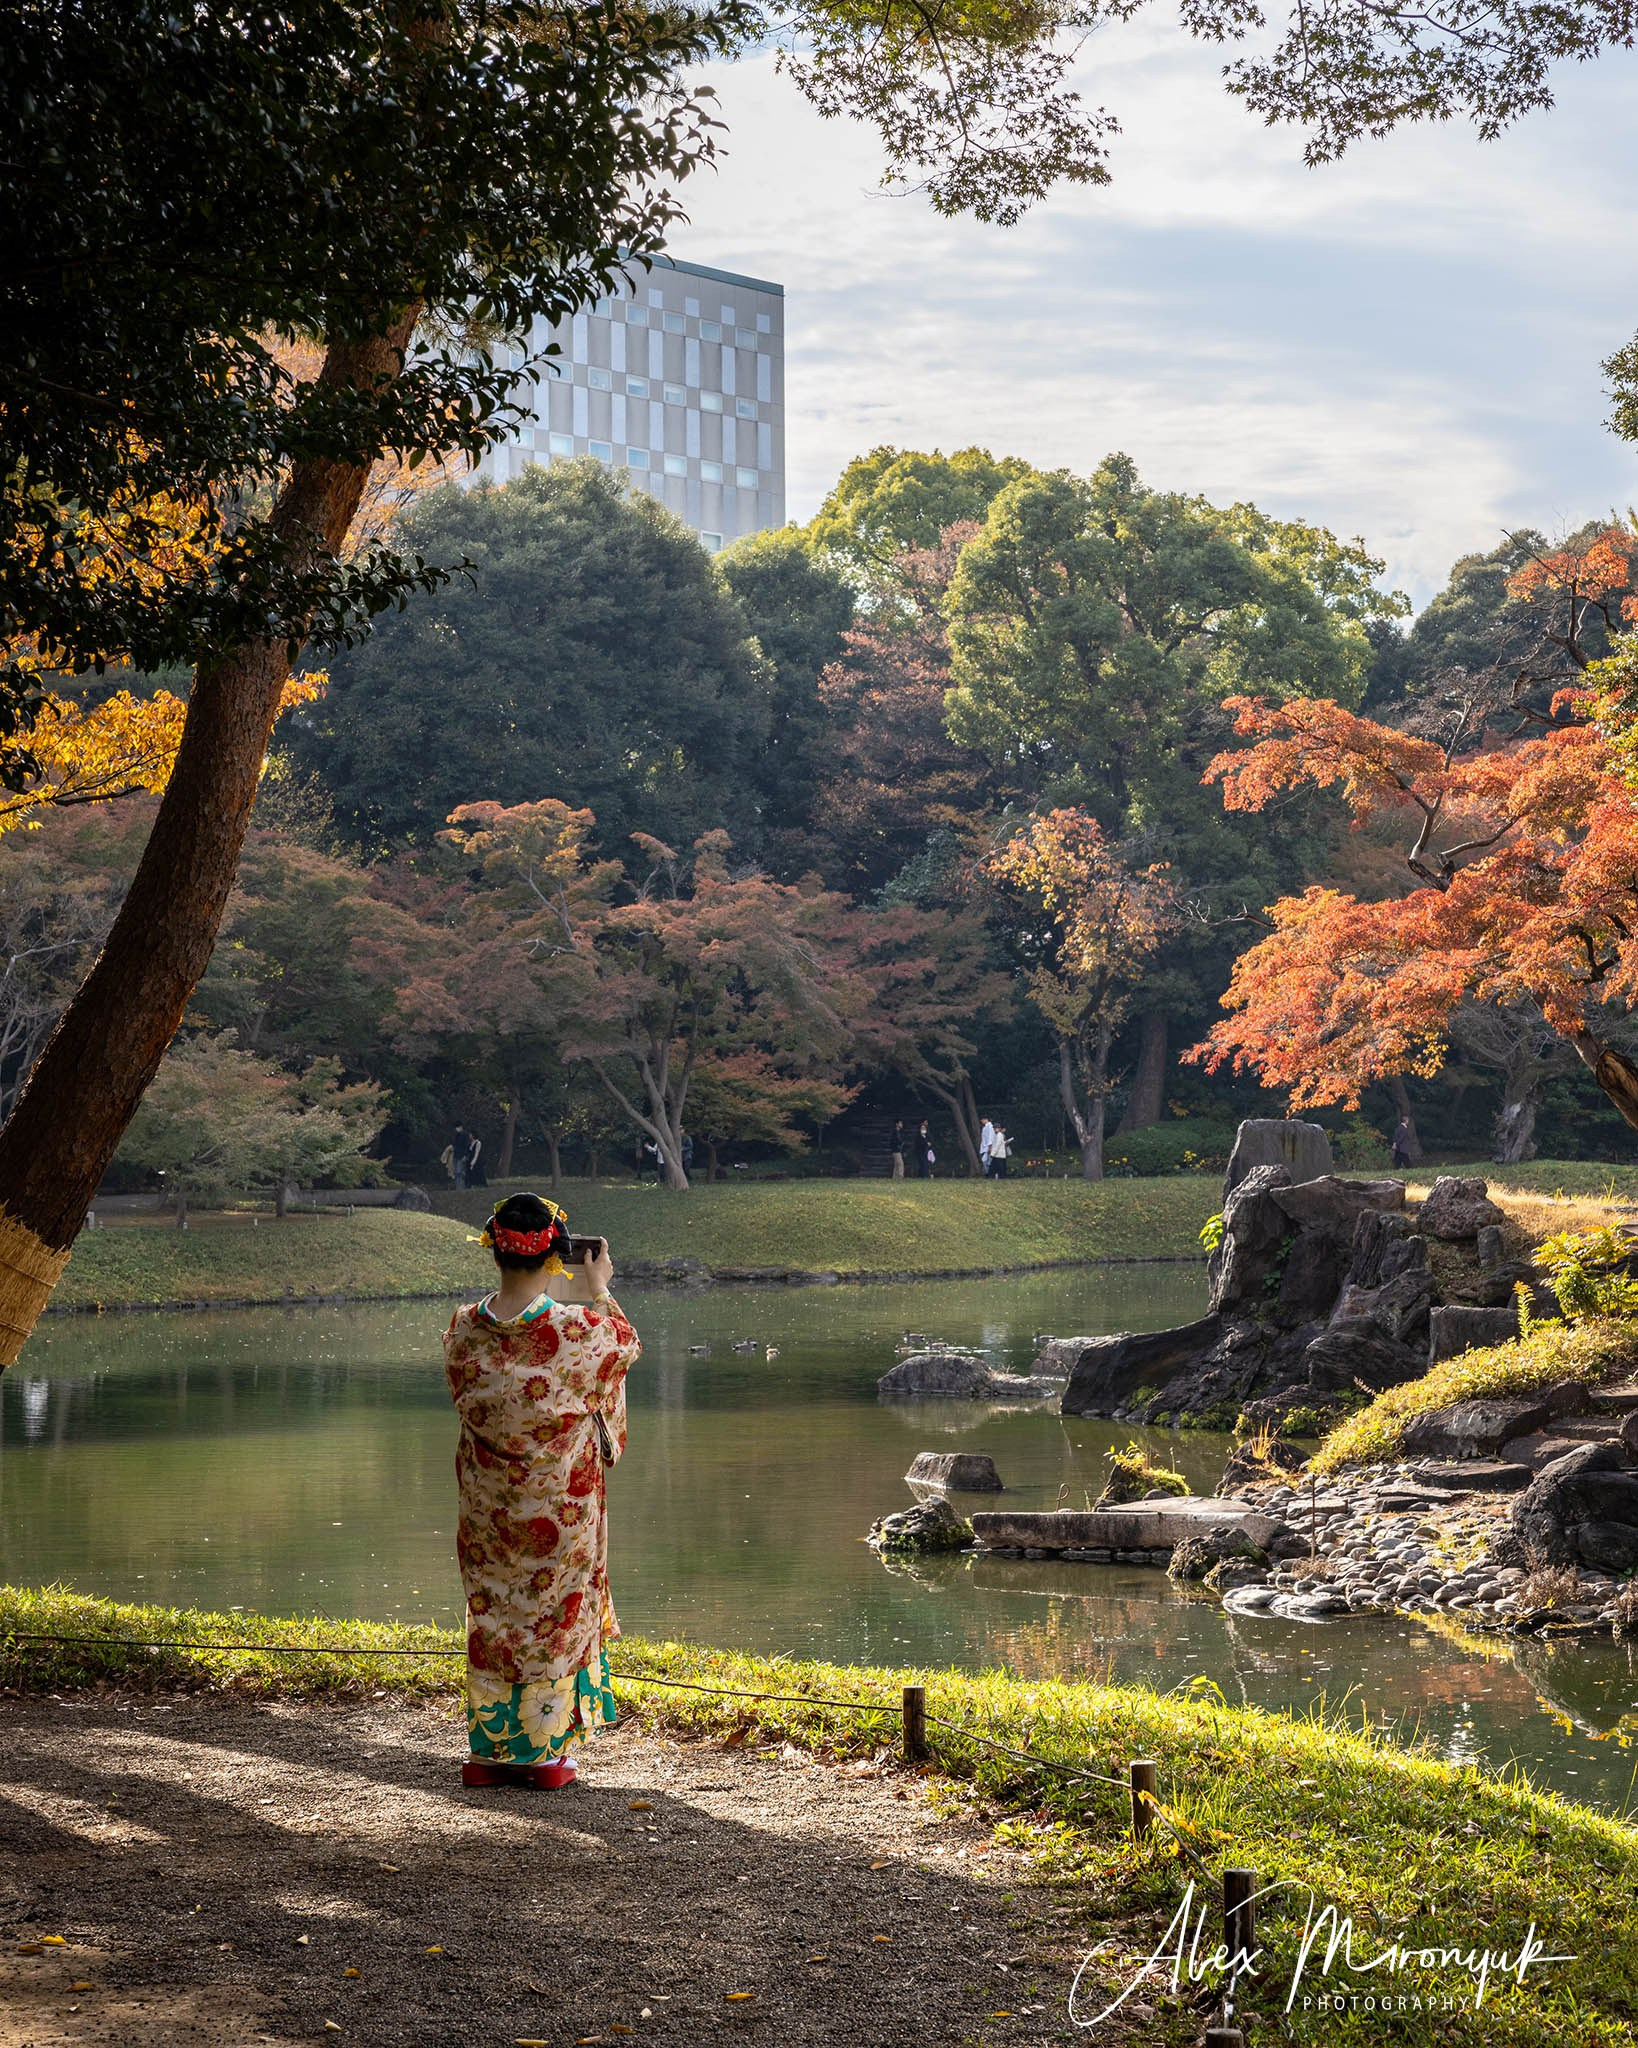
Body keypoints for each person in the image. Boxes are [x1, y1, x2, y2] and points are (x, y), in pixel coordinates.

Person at [443, 1192, 641, 1790]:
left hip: (487, 1504)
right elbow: (623, 1347)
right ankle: (546, 1756)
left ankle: (490, 1751)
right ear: (558, 1254)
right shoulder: (579, 1327)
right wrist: (599, 1285)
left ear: (493, 1249)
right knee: (553, 1614)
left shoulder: (463, 1326)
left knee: (495, 1612)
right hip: (559, 1504)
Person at [450, 1123, 471, 1190]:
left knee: (460, 1172)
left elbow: (467, 1146)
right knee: (456, 1172)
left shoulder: (465, 1135)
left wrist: (465, 1155)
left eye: (458, 1127)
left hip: (462, 1156)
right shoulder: (457, 1135)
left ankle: (461, 1187)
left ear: (461, 1127)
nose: (457, 1129)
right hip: (456, 1155)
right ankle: (457, 1187)